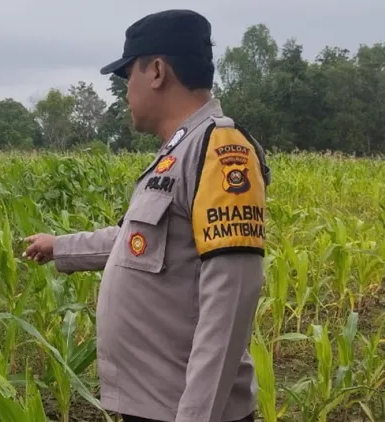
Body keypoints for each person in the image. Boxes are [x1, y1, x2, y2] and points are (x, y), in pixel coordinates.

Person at [23, 9, 271, 422]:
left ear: (156, 71)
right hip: (156, 403)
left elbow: (231, 298)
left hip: (186, 409)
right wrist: (60, 247)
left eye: (127, 77)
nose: (124, 92)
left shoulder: (221, 149)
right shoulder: (176, 152)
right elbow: (136, 242)